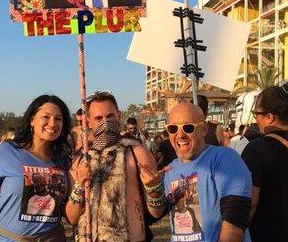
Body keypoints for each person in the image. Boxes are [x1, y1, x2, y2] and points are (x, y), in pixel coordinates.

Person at [66, 91, 166, 242]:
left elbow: (157, 212)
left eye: (110, 116)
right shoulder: (80, 159)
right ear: (89, 121)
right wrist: (80, 184)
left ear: (119, 115)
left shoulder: (136, 152)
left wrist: (154, 189)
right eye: (98, 118)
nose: (105, 122)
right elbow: (71, 218)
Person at [0, 94, 72, 242]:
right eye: (46, 117)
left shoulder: (64, 160)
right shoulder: (5, 152)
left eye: (58, 119)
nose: (52, 123)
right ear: (32, 120)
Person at [163, 102, 252, 242]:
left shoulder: (224, 158)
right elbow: (156, 212)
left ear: (203, 129)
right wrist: (152, 187)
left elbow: (234, 223)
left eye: (188, 128)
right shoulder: (170, 170)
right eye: (173, 128)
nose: (180, 135)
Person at [241, 84, 288, 241]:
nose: (256, 120)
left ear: (270, 117)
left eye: (257, 114)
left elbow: (251, 202)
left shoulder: (257, 149)